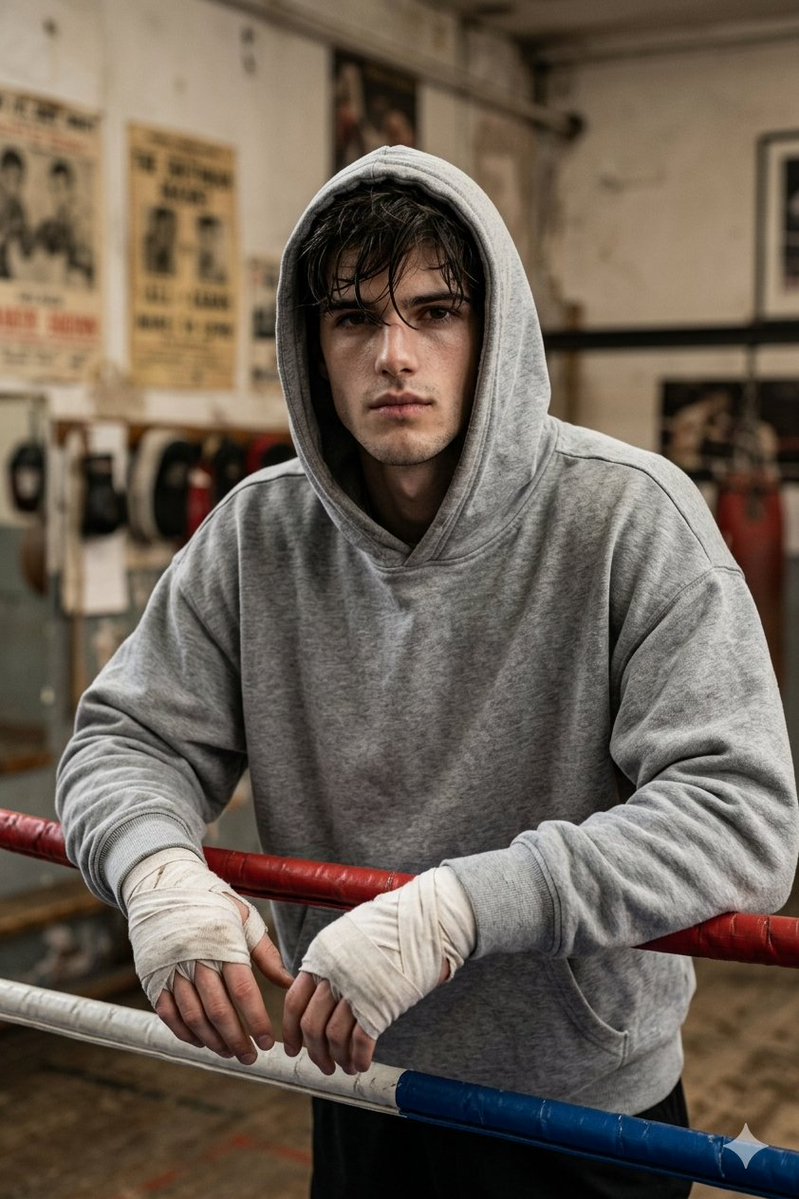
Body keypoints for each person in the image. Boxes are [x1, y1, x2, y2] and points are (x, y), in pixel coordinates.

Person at [56, 146, 798, 1198]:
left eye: (434, 310)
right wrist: (155, 871)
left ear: (490, 330)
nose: (394, 353)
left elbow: (740, 817)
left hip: (585, 1110)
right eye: (354, 318)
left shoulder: (631, 517)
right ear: (311, 346)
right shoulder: (257, 536)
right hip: (358, 1076)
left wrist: (457, 909)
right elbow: (127, 738)